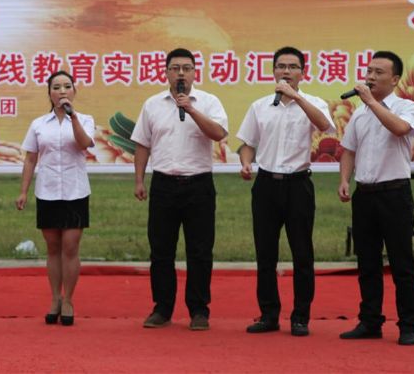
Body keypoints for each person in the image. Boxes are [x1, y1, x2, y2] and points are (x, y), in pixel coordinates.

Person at [237, 47, 334, 337]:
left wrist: (297, 98)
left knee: (302, 253)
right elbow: (247, 143)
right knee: (265, 253)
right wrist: (245, 162)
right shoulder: (260, 106)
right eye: (281, 66)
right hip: (266, 184)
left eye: (293, 67)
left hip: (298, 185)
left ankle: (300, 317)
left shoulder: (313, 103)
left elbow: (324, 125)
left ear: (303, 73)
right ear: (273, 71)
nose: (286, 71)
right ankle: (268, 315)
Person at [131, 48, 228, 331]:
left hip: (199, 185)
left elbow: (219, 134)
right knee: (161, 250)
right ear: (166, 72)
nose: (181, 73)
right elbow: (142, 144)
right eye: (175, 68)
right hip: (163, 184)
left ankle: (199, 310)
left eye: (186, 68)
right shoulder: (152, 104)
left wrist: (192, 110)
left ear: (195, 72)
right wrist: (139, 180)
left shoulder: (208, 102)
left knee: (200, 251)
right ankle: (162, 308)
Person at [337, 51, 414, 346]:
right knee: (368, 263)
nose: (370, 77)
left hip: (394, 194)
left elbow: (400, 129)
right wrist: (344, 179)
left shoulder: (407, 107)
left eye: (378, 72)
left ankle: (409, 325)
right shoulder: (359, 113)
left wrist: (371, 102)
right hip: (365, 195)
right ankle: (370, 321)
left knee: (401, 263)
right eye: (369, 71)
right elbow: (349, 149)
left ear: (395, 79)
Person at [16, 71, 95, 327]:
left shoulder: (85, 119)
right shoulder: (39, 124)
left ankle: (69, 299)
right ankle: (55, 298)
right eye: (57, 87)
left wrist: (73, 117)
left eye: (67, 86)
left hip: (75, 190)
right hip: (48, 190)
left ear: (74, 91)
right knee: (52, 247)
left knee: (70, 247)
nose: (62, 91)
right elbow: (30, 159)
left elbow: (84, 144)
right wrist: (23, 191)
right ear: (49, 93)